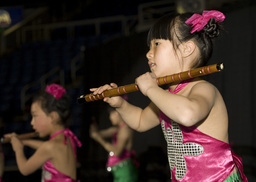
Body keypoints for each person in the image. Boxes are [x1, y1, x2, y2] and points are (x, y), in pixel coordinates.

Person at [90, 10, 248, 182]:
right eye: (149, 46)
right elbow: (140, 121)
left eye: (156, 44)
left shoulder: (204, 89)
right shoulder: (167, 97)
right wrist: (119, 103)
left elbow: (187, 115)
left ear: (187, 49)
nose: (148, 53)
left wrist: (151, 89)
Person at [4, 83, 82, 182]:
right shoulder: (66, 137)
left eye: (35, 116)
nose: (32, 122)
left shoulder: (50, 146)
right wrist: (23, 141)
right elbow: (44, 146)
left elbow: (24, 169)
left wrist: (18, 149)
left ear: (53, 117)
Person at [90, 100, 139, 182]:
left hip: (125, 171)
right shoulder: (117, 129)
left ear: (117, 113)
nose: (110, 118)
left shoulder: (125, 130)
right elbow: (97, 134)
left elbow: (117, 152)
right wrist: (93, 127)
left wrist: (99, 139)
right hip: (119, 171)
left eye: (111, 115)